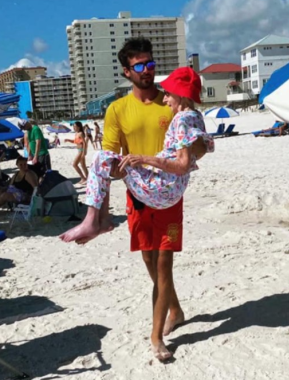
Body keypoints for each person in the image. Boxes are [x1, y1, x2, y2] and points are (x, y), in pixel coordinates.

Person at [98, 37, 184, 362]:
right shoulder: (117, 109)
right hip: (137, 196)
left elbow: (193, 141)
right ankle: (174, 307)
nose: (148, 70)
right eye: (140, 66)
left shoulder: (171, 103)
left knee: (163, 262)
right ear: (127, 71)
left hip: (170, 196)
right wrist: (114, 170)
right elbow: (110, 155)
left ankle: (156, 335)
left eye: (151, 64)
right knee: (149, 260)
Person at [60, 67, 213, 246]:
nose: (164, 99)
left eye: (168, 94)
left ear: (181, 95)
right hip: (172, 190)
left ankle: (93, 221)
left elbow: (183, 165)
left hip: (160, 188)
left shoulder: (181, 119)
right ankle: (102, 221)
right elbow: (201, 151)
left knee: (100, 158)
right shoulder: (196, 117)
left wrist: (144, 159)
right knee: (108, 163)